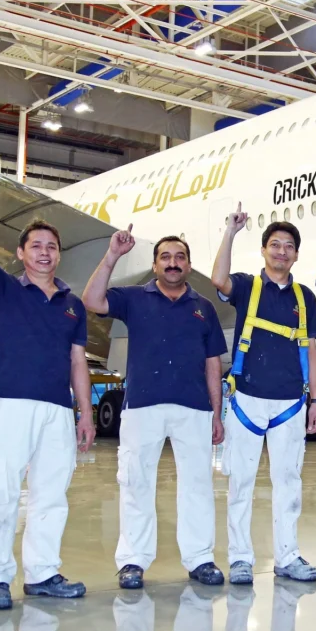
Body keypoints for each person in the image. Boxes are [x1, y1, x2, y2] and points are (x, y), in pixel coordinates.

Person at [0, 149, 95, 610]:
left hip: (58, 411)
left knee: (51, 496)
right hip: (13, 405)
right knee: (0, 492)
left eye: (51, 247)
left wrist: (85, 413)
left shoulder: (72, 305)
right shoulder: (3, 289)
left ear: (59, 255)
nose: (44, 252)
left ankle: (43, 574)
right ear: (21, 254)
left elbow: (79, 362)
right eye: (35, 246)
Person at [81, 227, 227, 589]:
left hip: (193, 408)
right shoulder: (133, 298)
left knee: (197, 485)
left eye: (180, 258)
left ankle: (200, 559)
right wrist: (113, 254)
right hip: (142, 406)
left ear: (190, 266)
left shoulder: (203, 308)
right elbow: (92, 300)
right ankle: (132, 561)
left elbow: (213, 364)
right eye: (166, 257)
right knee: (136, 482)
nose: (173, 263)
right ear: (155, 264)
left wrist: (216, 412)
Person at [211, 204, 316, 584]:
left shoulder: (304, 297)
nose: (281, 251)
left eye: (288, 246)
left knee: (288, 483)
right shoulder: (246, 286)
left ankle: (287, 556)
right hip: (247, 398)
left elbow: (309, 349)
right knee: (241, 481)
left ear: (296, 253)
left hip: (291, 403)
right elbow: (218, 279)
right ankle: (241, 557)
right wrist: (230, 231)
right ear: (263, 250)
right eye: (274, 244)